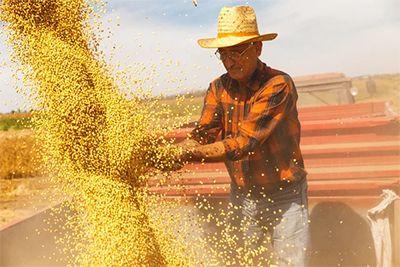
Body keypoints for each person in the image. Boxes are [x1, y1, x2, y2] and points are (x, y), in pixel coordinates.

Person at [177, 5, 309, 266]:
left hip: (284, 195)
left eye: (237, 52)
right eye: (223, 54)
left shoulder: (278, 84)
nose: (230, 61)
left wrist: (186, 153)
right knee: (242, 261)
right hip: (244, 194)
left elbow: (246, 143)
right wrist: (170, 151)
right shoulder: (218, 87)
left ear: (258, 48)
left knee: (289, 262)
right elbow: (203, 134)